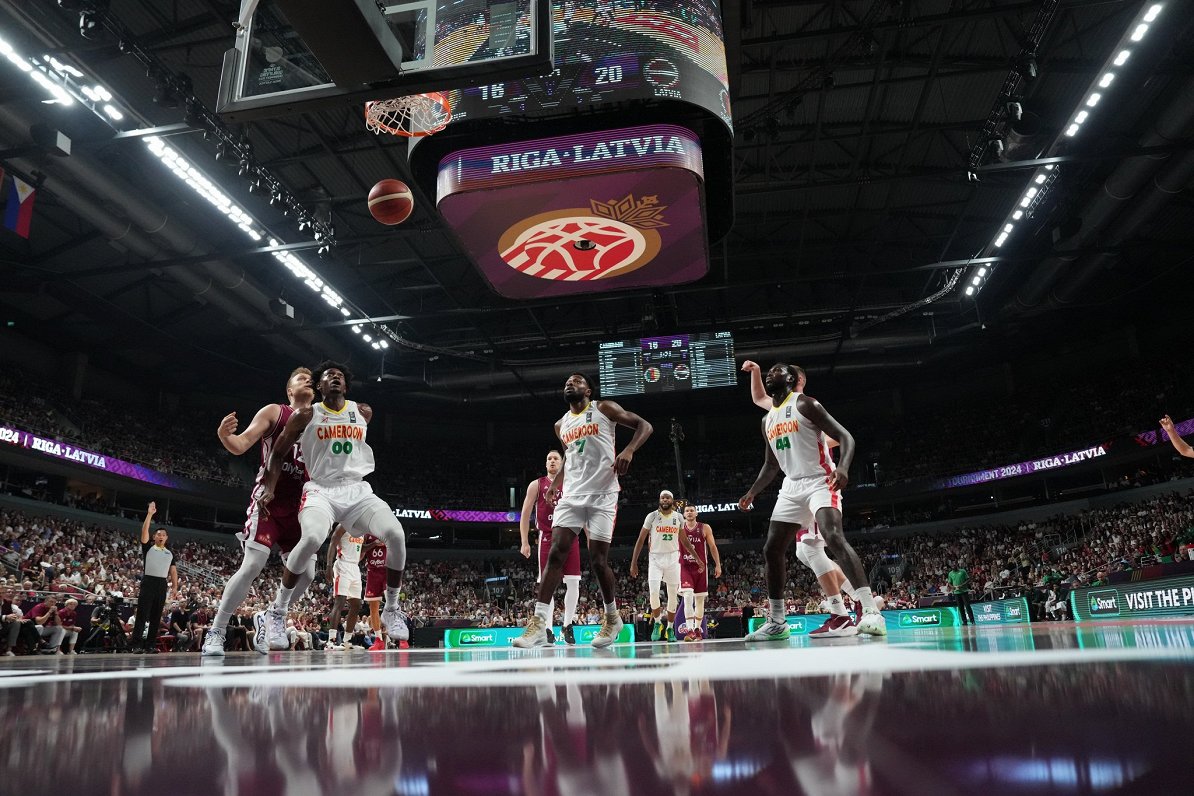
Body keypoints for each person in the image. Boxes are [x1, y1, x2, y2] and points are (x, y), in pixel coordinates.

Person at [259, 361, 410, 646]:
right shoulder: (306, 415)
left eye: (340, 376)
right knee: (313, 538)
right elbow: (277, 454)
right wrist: (269, 487)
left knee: (396, 535)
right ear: (320, 386)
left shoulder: (362, 411)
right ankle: (277, 611)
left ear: (347, 385)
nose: (335, 379)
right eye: (329, 376)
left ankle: (391, 608)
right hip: (321, 490)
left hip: (357, 490)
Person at [737, 363, 885, 641]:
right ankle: (778, 622)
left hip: (820, 480)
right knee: (772, 549)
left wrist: (842, 468)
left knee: (833, 537)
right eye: (767, 372)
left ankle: (871, 611)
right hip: (792, 486)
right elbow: (770, 465)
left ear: (792, 379)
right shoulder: (767, 419)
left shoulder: (806, 403)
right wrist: (753, 491)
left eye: (776, 371)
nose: (770, 374)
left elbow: (845, 437)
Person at [514, 372, 653, 648]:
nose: (569, 383)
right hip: (572, 496)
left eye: (576, 381)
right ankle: (540, 623)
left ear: (588, 389)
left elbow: (644, 426)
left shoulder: (604, 408)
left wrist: (629, 450)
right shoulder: (560, 424)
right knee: (556, 553)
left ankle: (613, 618)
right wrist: (556, 483)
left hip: (603, 495)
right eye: (566, 381)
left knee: (598, 561)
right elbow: (570, 455)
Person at [204, 368, 320, 657]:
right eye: (299, 377)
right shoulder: (275, 412)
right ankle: (217, 630)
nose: (307, 380)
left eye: (311, 379)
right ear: (289, 390)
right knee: (253, 563)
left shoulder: (321, 420)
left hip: (302, 507)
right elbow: (241, 444)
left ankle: (269, 616)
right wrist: (223, 436)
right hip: (269, 500)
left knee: (307, 573)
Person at [519, 450, 580, 644]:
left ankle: (568, 624)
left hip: (570, 533)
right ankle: (547, 629)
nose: (552, 461)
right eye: (549, 458)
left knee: (574, 582)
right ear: (546, 464)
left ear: (562, 463)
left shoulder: (571, 482)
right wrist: (524, 541)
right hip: (547, 536)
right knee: (548, 584)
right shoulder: (536, 485)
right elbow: (525, 514)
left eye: (556, 458)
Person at [630, 490, 701, 642]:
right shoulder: (652, 516)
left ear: (672, 500)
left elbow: (685, 542)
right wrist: (633, 562)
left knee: (672, 597)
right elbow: (641, 539)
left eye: (668, 497)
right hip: (655, 557)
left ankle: (670, 628)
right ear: (659, 500)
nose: (665, 499)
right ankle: (657, 623)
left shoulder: (678, 517)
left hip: (673, 558)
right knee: (654, 593)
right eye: (662, 497)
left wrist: (698, 559)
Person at [130, 502, 179, 653]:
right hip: (149, 581)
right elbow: (144, 531)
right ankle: (136, 645)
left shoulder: (170, 553)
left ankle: (150, 645)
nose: (161, 536)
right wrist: (150, 514)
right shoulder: (148, 547)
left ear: (166, 538)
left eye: (163, 535)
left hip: (162, 583)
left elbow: (173, 571)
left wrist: (175, 587)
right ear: (154, 536)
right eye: (158, 534)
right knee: (142, 614)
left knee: (156, 616)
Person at [678, 504, 722, 641]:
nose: (689, 512)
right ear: (683, 514)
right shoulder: (679, 527)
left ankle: (697, 630)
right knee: (688, 595)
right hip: (685, 566)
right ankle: (690, 630)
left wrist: (718, 565)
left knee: (699, 600)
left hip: (700, 568)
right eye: (687, 511)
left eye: (692, 510)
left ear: (696, 513)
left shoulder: (704, 527)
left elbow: (712, 546)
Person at [325, 524, 365, 651]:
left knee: (356, 605)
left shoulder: (362, 530)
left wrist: (374, 544)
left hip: (355, 567)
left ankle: (346, 641)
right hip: (342, 565)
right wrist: (328, 565)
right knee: (340, 602)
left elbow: (360, 548)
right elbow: (332, 543)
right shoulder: (343, 526)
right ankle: (330, 642)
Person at [361, 535, 392, 650]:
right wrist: (374, 544)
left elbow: (396, 544)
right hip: (372, 572)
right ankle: (378, 640)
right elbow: (361, 553)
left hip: (387, 570)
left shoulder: (385, 528)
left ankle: (402, 639)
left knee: (392, 604)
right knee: (373, 608)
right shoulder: (366, 533)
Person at [948, 560, 975, 626]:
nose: (953, 567)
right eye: (952, 566)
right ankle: (964, 621)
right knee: (960, 607)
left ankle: (972, 620)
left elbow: (968, 579)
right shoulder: (950, 573)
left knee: (967, 606)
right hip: (956, 593)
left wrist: (962, 585)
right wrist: (953, 587)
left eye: (954, 565)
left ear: (957, 565)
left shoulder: (962, 571)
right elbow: (949, 583)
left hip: (964, 591)